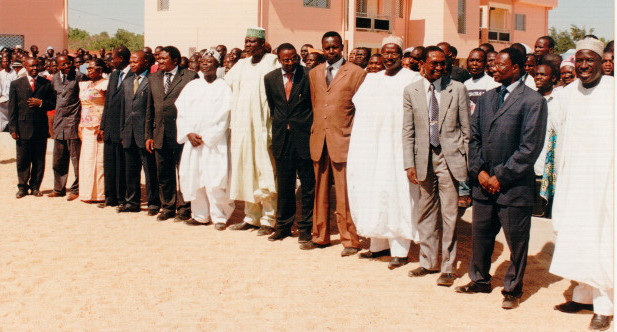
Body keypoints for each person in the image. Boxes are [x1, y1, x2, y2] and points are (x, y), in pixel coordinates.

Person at [456, 48, 547, 310]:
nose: (493, 69)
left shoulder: (532, 101)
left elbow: (530, 148)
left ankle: (512, 289)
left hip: (513, 187)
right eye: (493, 65)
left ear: (517, 68)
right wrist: (481, 172)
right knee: (481, 235)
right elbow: (473, 140)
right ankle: (480, 280)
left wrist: (500, 176)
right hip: (484, 185)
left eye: (499, 65)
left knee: (516, 241)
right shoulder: (486, 99)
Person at [550, 38, 614, 331]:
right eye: (579, 60)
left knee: (603, 240)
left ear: (602, 62)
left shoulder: (613, 92)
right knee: (577, 236)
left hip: (605, 182)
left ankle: (604, 306)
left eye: (590, 60)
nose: (584, 66)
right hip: (575, 179)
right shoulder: (566, 95)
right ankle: (582, 296)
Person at [348, 36, 422, 269]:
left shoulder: (412, 78)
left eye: (395, 53)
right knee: (374, 192)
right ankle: (378, 245)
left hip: (398, 149)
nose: (390, 57)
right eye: (385, 53)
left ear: (402, 56)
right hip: (373, 147)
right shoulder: (371, 79)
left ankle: (400, 251)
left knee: (397, 194)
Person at [402, 46, 470, 286]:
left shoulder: (458, 89)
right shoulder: (411, 91)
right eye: (435, 64)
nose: (440, 68)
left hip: (449, 160)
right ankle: (427, 262)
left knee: (450, 215)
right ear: (422, 64)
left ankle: (448, 267)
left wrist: (464, 161)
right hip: (423, 160)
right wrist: (409, 163)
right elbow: (408, 130)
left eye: (443, 64)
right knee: (426, 212)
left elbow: (466, 130)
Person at [301, 31, 367, 256]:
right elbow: (314, 104)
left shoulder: (357, 73)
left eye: (335, 47)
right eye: (327, 48)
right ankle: (320, 236)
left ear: (342, 48)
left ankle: (350, 239)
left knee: (344, 193)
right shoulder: (315, 73)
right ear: (322, 48)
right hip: (319, 139)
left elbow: (360, 109)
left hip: (344, 140)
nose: (331, 51)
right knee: (319, 190)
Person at [224, 27, 280, 235]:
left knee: (264, 171)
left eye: (252, 41)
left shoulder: (272, 62)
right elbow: (225, 89)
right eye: (246, 41)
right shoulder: (240, 64)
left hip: (263, 127)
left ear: (262, 43)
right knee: (245, 169)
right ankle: (251, 217)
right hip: (242, 128)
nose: (247, 45)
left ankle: (268, 219)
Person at [174, 49, 235, 230]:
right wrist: (188, 133)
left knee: (215, 181)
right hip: (193, 142)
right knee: (193, 177)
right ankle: (200, 215)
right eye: (202, 61)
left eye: (209, 61)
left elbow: (225, 116)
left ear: (217, 65)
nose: (205, 64)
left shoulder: (223, 87)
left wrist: (208, 137)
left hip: (213, 144)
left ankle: (219, 217)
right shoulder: (192, 86)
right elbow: (182, 114)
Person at [263, 43, 315, 243]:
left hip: (304, 139)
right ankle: (283, 226)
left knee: (308, 186)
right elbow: (273, 107)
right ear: (278, 59)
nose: (291, 62)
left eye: (294, 58)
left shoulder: (308, 75)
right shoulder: (270, 78)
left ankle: (305, 228)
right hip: (282, 140)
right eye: (286, 59)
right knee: (284, 186)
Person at [145, 46, 198, 221]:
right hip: (159, 133)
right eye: (158, 59)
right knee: (164, 173)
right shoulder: (153, 78)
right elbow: (149, 109)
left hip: (182, 134)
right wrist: (149, 135)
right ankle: (167, 207)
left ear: (175, 61)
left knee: (184, 172)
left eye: (163, 59)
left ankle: (184, 208)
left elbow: (196, 106)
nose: (159, 62)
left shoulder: (190, 77)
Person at [119, 50, 160, 216]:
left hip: (145, 134)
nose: (132, 64)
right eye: (130, 61)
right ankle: (132, 202)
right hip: (129, 133)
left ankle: (153, 203)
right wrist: (122, 132)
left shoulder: (153, 81)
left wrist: (150, 134)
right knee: (131, 171)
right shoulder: (127, 82)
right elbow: (123, 109)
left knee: (150, 170)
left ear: (145, 63)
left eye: (135, 61)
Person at [8, 57, 56, 198]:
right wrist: (13, 129)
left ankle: (35, 186)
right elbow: (12, 109)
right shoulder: (16, 84)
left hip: (40, 128)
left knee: (39, 159)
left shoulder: (46, 83)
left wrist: (41, 103)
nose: (35, 68)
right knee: (23, 159)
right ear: (25, 66)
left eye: (37, 66)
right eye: (32, 66)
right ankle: (22, 187)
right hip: (22, 128)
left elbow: (53, 103)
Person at [460, 48, 499, 208]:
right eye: (472, 60)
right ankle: (464, 192)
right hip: (466, 129)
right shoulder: (464, 85)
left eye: (478, 61)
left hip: (484, 130)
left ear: (485, 64)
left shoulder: (492, 83)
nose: (474, 64)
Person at [49, 55, 86, 201]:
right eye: (62, 64)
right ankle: (59, 189)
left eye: (68, 63)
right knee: (58, 159)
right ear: (57, 66)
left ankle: (77, 189)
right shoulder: (54, 79)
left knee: (76, 158)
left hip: (73, 122)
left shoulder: (80, 77)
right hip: (59, 123)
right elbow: (53, 100)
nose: (66, 66)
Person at [99, 47, 132, 210]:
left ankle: (121, 197)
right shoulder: (113, 75)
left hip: (123, 127)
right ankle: (109, 197)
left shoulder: (133, 75)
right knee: (109, 163)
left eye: (114, 58)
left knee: (122, 164)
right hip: (110, 127)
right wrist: (103, 125)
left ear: (121, 58)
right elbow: (107, 103)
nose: (111, 61)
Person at [78, 59, 109, 202]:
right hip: (86, 126)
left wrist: (103, 125)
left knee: (99, 160)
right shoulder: (85, 84)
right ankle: (86, 193)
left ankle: (99, 194)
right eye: (87, 69)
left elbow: (109, 106)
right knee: (87, 159)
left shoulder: (105, 84)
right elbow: (83, 105)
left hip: (98, 127)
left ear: (100, 69)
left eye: (91, 68)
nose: (88, 71)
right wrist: (80, 124)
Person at [0, 53, 18, 131]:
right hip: (2, 100)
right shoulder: (1, 73)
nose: (5, 63)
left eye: (7, 61)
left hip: (11, 99)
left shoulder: (14, 73)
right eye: (4, 62)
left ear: (10, 62)